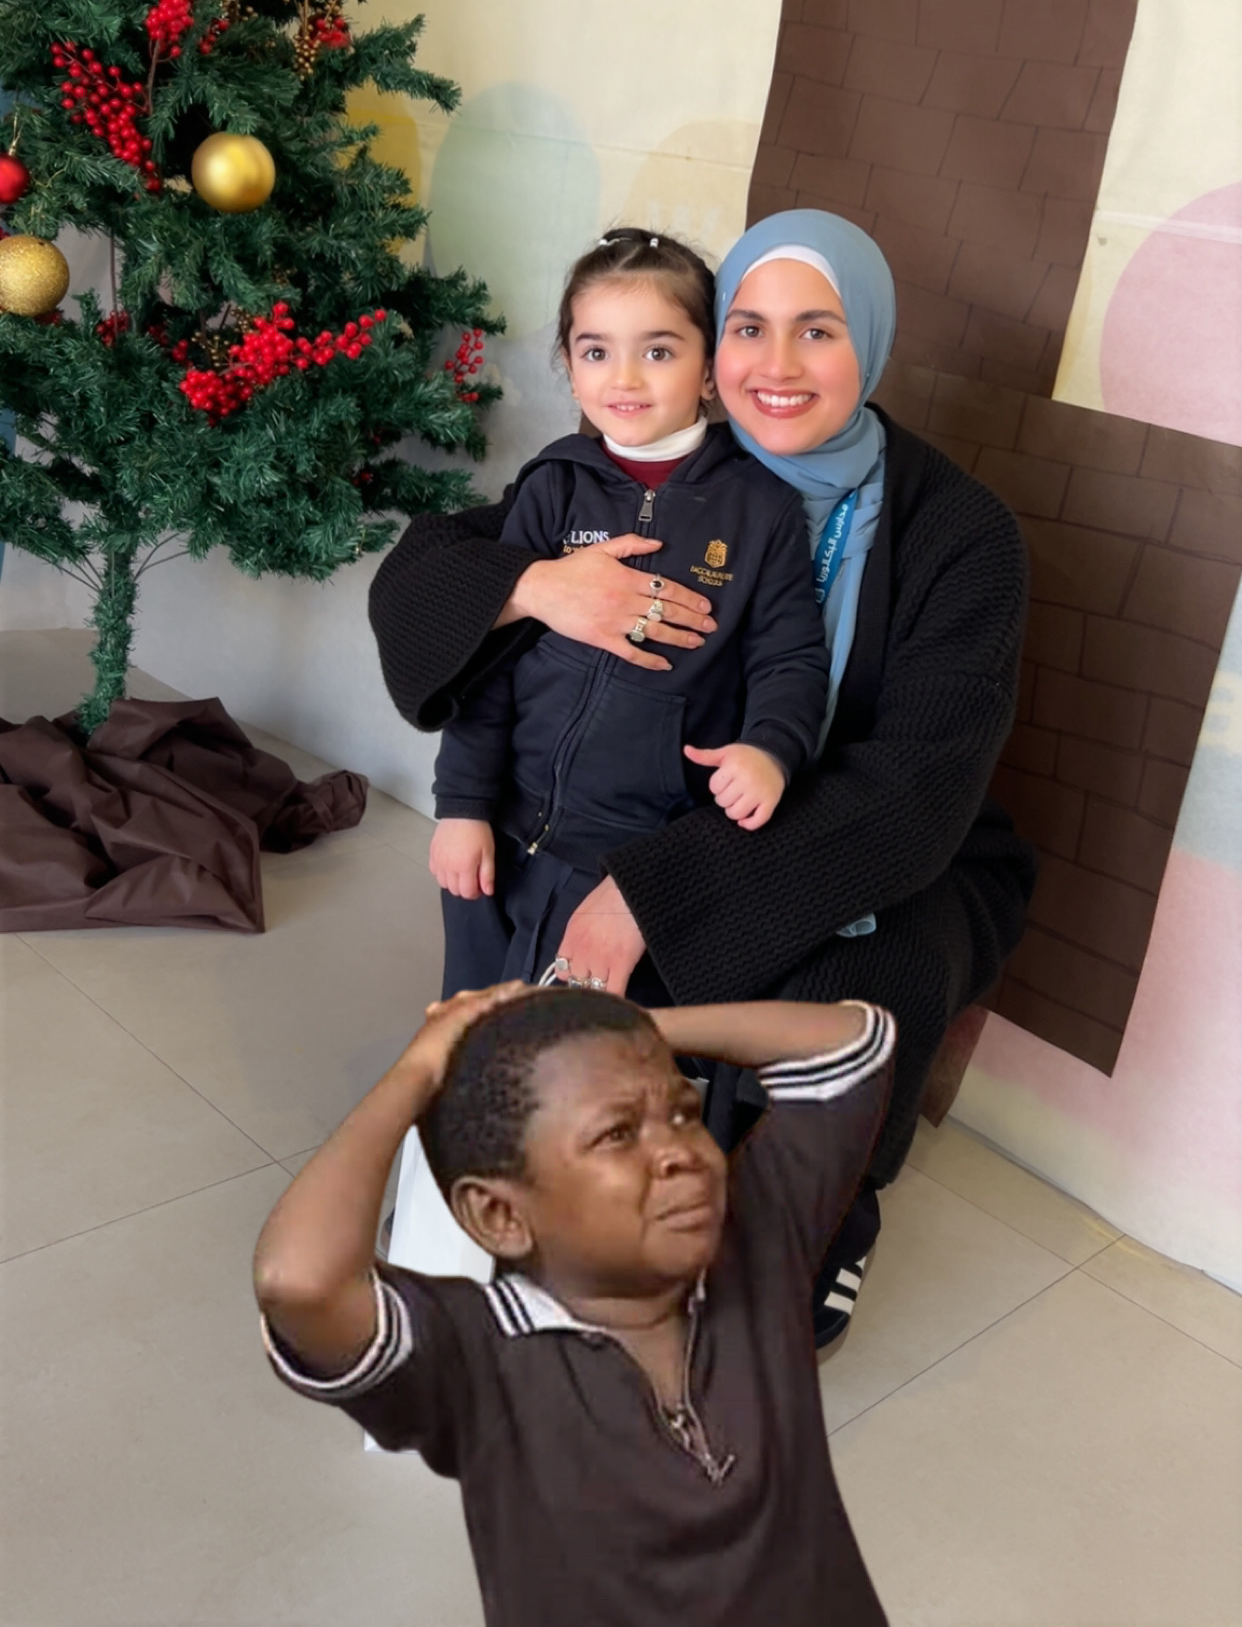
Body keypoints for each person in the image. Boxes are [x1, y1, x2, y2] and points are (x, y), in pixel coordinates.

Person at [369, 210, 1036, 1348]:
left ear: (870, 343)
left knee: (859, 982)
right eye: (749, 328)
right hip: (666, 803)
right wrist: (535, 589)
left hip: (871, 840)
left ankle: (820, 1218)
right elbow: (432, 565)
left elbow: (917, 789)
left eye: (817, 330)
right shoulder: (650, 471)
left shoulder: (958, 533)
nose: (778, 365)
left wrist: (654, 891)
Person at [254, 979, 897, 1627]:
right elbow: (301, 1282)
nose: (678, 1153)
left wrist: (611, 1031)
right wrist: (417, 1069)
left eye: (683, 1114)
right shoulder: (475, 1358)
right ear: (500, 1215)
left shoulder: (756, 1247)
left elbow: (850, 1045)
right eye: (618, 1134)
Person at [428, 228, 831, 997]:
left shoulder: (762, 508)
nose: (625, 377)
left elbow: (789, 659)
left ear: (709, 370)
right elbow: (486, 662)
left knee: (566, 1046)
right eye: (596, 350)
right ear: (569, 364)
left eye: (658, 350)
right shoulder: (553, 484)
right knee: (471, 1018)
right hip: (502, 829)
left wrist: (770, 749)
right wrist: (462, 806)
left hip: (625, 860)